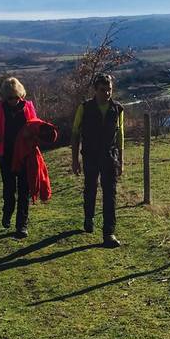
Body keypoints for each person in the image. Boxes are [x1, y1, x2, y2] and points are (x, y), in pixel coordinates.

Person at [71, 73, 124, 248]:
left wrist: (121, 160)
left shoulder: (118, 109)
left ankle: (109, 233)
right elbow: (75, 134)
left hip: (110, 156)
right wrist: (75, 160)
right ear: (96, 90)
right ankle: (89, 217)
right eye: (103, 90)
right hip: (90, 155)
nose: (107, 93)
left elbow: (120, 135)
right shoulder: (84, 107)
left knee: (110, 194)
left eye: (109, 90)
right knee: (90, 188)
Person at [0, 78, 38, 237]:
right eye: (10, 98)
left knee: (24, 189)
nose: (13, 101)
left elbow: (35, 124)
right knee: (9, 189)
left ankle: (21, 225)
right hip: (6, 153)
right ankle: (7, 211)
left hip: (24, 153)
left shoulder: (28, 106)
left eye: (16, 97)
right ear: (4, 96)